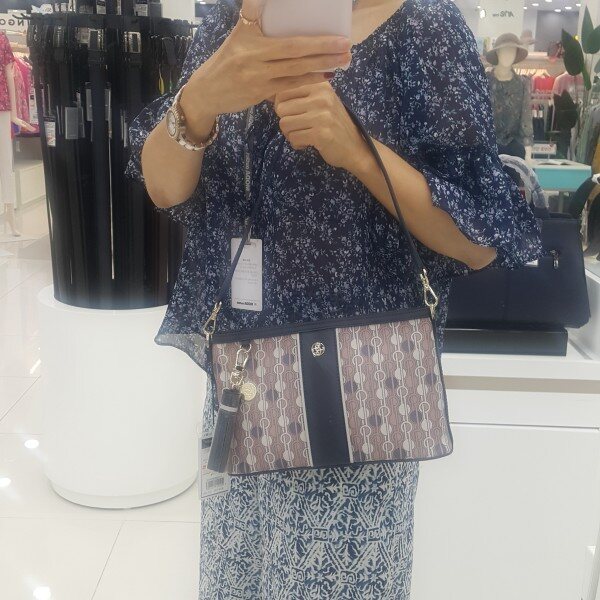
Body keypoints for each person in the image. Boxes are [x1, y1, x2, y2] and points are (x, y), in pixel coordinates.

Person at [126, 0, 542, 597]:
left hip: (362, 402)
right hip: (246, 389)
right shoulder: (233, 21)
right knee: (238, 581)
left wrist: (356, 149)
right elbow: (166, 189)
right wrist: (197, 103)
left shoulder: (424, 27)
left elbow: (478, 242)